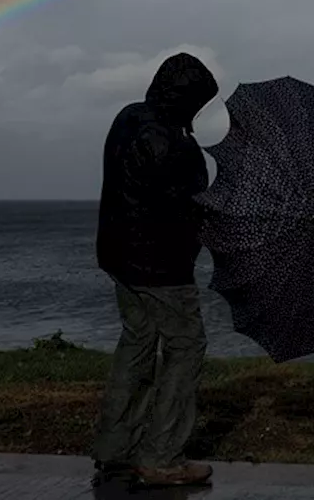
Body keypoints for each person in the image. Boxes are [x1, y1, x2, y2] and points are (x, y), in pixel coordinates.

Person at [91, 52, 219, 487]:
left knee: (138, 340)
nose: (197, 113)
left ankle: (115, 449)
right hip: (161, 266)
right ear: (186, 100)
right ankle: (162, 456)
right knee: (186, 346)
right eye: (197, 104)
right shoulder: (174, 144)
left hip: (119, 256)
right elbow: (191, 208)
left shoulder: (127, 117)